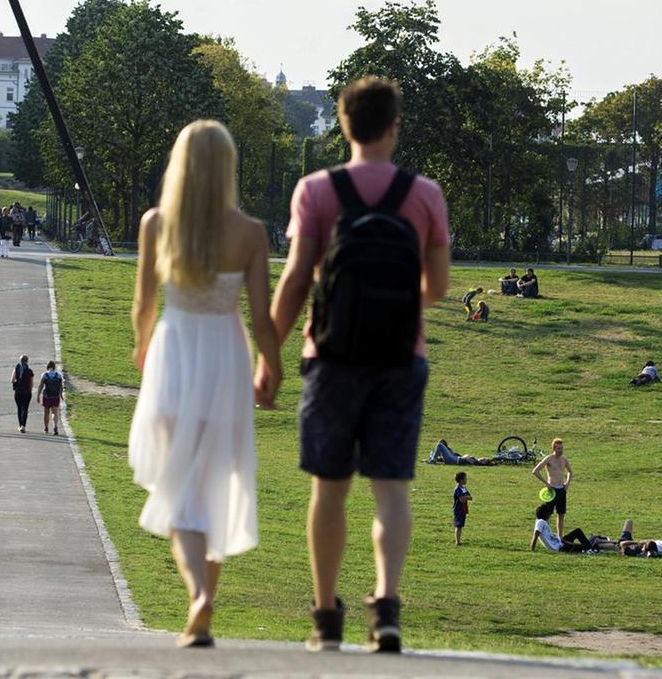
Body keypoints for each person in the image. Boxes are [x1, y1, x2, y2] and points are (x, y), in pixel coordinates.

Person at [257, 76, 450, 654]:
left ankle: (325, 617)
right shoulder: (425, 195)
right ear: (393, 128)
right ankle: (386, 609)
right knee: (391, 490)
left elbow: (294, 280)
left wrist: (269, 357)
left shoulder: (316, 190)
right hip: (400, 358)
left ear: (342, 125)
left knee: (330, 489)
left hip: (331, 356)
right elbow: (436, 286)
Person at [128, 119, 280, 649]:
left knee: (178, 489)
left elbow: (144, 304)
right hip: (224, 359)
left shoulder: (156, 224)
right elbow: (262, 319)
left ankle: (198, 597)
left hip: (174, 353)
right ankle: (204, 604)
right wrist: (273, 367)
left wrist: (142, 345)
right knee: (216, 482)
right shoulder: (250, 233)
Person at [533, 438, 573, 536]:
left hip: (561, 490)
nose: (560, 450)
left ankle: (560, 537)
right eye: (558, 448)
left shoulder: (564, 459)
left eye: (562, 448)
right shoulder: (549, 459)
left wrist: (567, 484)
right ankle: (544, 534)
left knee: (561, 515)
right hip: (552, 491)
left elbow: (570, 472)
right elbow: (535, 471)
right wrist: (546, 483)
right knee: (547, 514)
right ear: (554, 448)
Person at [530, 503, 594, 553]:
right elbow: (536, 534)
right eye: (549, 512)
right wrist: (532, 549)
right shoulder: (541, 522)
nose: (550, 514)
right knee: (584, 547)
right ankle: (593, 546)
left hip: (561, 542)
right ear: (546, 513)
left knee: (577, 531)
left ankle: (592, 545)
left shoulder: (542, 522)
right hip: (561, 548)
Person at [38, 361, 64, 436]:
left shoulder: (44, 375)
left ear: (47, 366)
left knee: (46, 413)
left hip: (47, 396)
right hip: (55, 396)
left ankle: (46, 427)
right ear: (54, 367)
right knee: (54, 412)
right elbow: (61, 387)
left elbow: (40, 386)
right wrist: (61, 395)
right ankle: (55, 426)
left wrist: (38, 395)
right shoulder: (58, 375)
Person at [11, 354, 35, 433]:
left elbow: (12, 380)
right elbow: (31, 383)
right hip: (27, 391)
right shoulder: (30, 371)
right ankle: (23, 426)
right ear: (27, 361)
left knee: (19, 408)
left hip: (18, 391)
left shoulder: (16, 368)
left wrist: (16, 383)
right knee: (25, 408)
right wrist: (30, 390)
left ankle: (20, 425)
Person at [452, 472, 471, 546]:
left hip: (463, 509)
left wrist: (465, 497)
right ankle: (457, 542)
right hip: (458, 509)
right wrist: (466, 497)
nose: (466, 480)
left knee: (461, 525)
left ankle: (458, 540)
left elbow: (470, 497)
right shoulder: (458, 489)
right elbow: (461, 500)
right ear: (461, 480)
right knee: (458, 526)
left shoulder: (464, 488)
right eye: (465, 478)